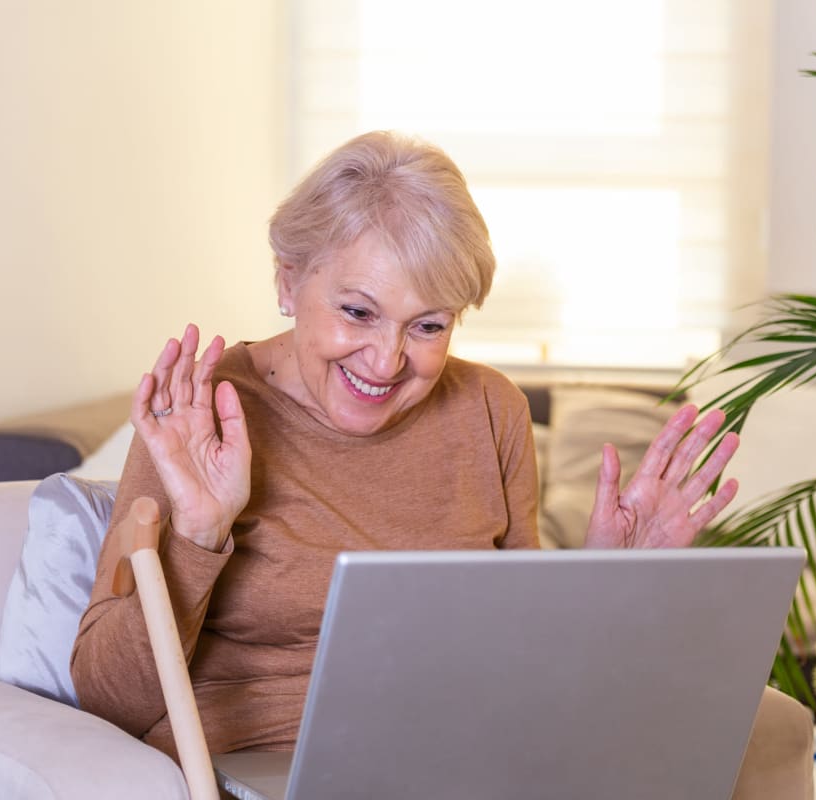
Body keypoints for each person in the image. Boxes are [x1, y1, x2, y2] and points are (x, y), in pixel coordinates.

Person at [69, 130, 740, 759]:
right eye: (357, 312)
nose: (387, 361)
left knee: (734, 727)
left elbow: (521, 651)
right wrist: (200, 535)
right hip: (272, 755)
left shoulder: (488, 407)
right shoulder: (201, 415)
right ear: (287, 281)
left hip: (466, 741)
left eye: (426, 326)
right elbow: (106, 700)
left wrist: (600, 587)